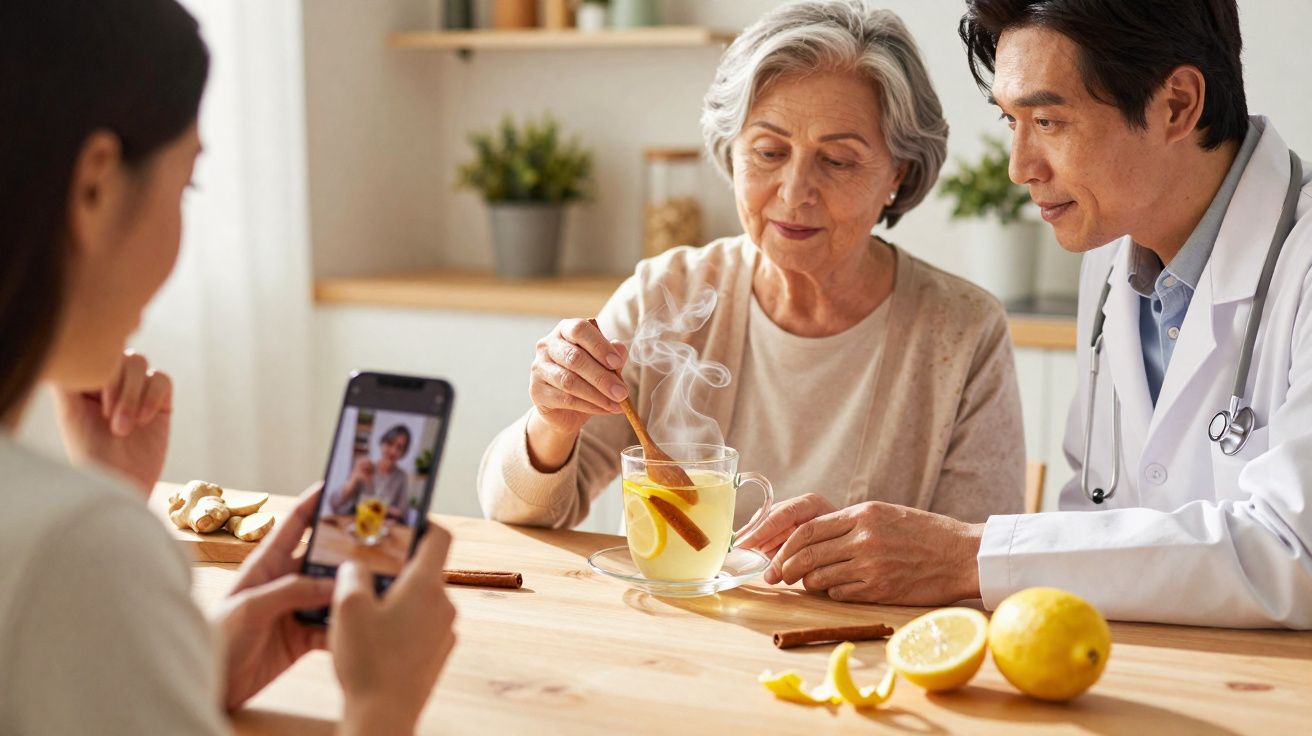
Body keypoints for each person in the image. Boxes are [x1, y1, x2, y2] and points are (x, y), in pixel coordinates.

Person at [753, 0, 1312, 628]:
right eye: (1011, 121)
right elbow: (1095, 527)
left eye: (1048, 120)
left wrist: (969, 555)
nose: (1021, 167)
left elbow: (1295, 554)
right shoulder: (1111, 259)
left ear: (1177, 104)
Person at [0, 1, 457, 732]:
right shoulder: (75, 546)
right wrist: (383, 703)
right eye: (188, 184)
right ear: (94, 186)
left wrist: (188, 660)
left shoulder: (68, 537)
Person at [478, 0, 1025, 580]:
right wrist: (552, 422)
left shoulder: (963, 330)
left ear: (899, 173)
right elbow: (517, 515)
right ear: (730, 152)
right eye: (768, 152)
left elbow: (980, 570)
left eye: (838, 160)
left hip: (857, 655)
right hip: (673, 638)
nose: (794, 192)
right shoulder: (667, 292)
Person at [328, 424, 412, 517]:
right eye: (390, 444)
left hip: (382, 527)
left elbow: (403, 512)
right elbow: (334, 503)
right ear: (382, 443)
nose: (393, 451)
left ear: (403, 453)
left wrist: (379, 507)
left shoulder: (401, 477)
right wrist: (354, 479)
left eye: (399, 448)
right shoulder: (365, 467)